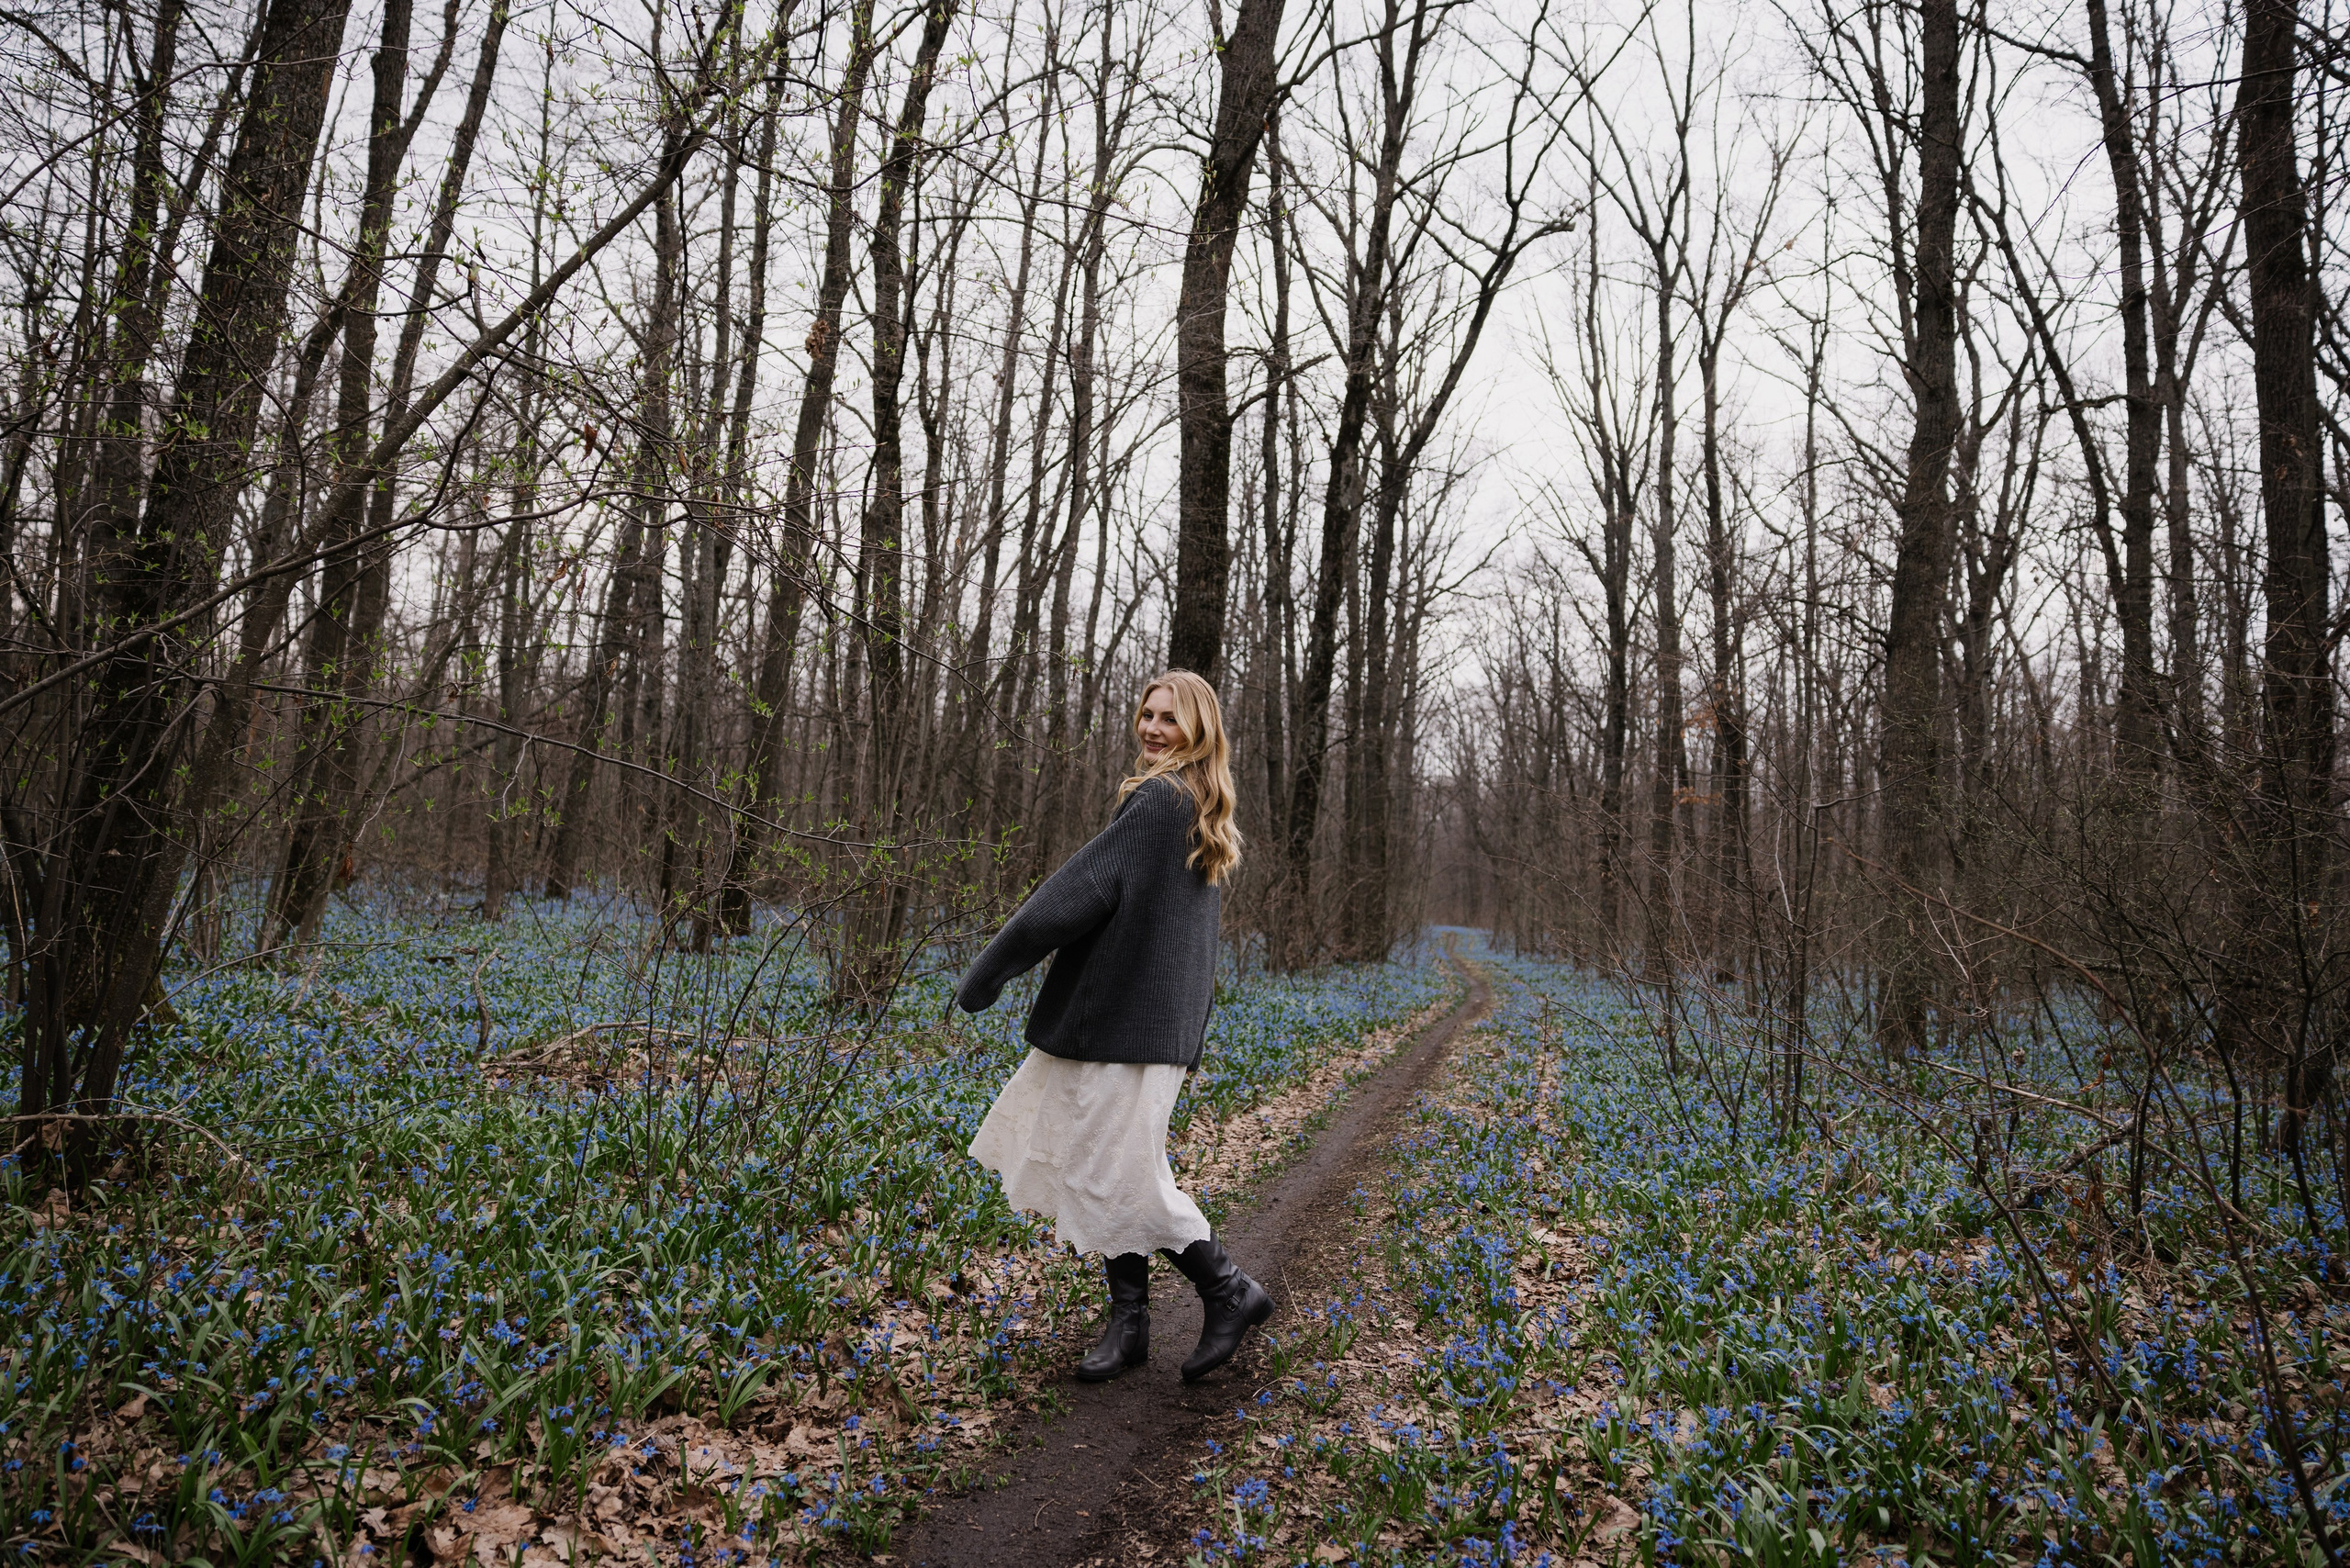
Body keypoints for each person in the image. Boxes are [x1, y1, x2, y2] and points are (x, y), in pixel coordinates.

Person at [955, 670, 1271, 1383]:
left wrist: (990, 971)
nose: (1153, 729)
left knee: (1118, 1173)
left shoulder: (1161, 802)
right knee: (1106, 1169)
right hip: (1142, 1030)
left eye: (1171, 719)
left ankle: (1229, 1289)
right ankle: (1129, 1325)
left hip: (1127, 1029)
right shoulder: (1197, 806)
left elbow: (1071, 895)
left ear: (1200, 732)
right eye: (1147, 715)